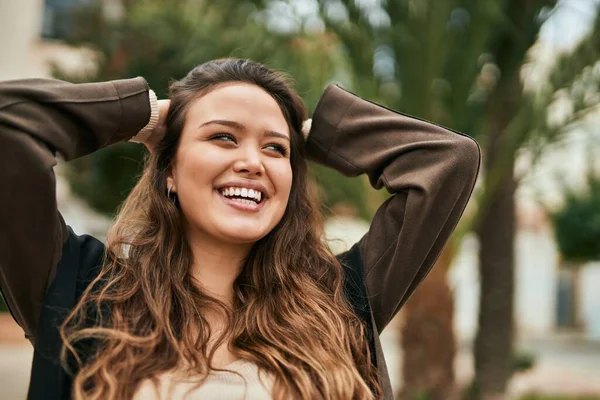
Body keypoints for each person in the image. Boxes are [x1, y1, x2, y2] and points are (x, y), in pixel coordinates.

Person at [0, 58, 480, 400]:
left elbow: (445, 162)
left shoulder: (340, 300)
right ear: (168, 168)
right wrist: (142, 115)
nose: (251, 161)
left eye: (275, 150)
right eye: (222, 137)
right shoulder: (80, 290)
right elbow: (11, 124)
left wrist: (317, 131)